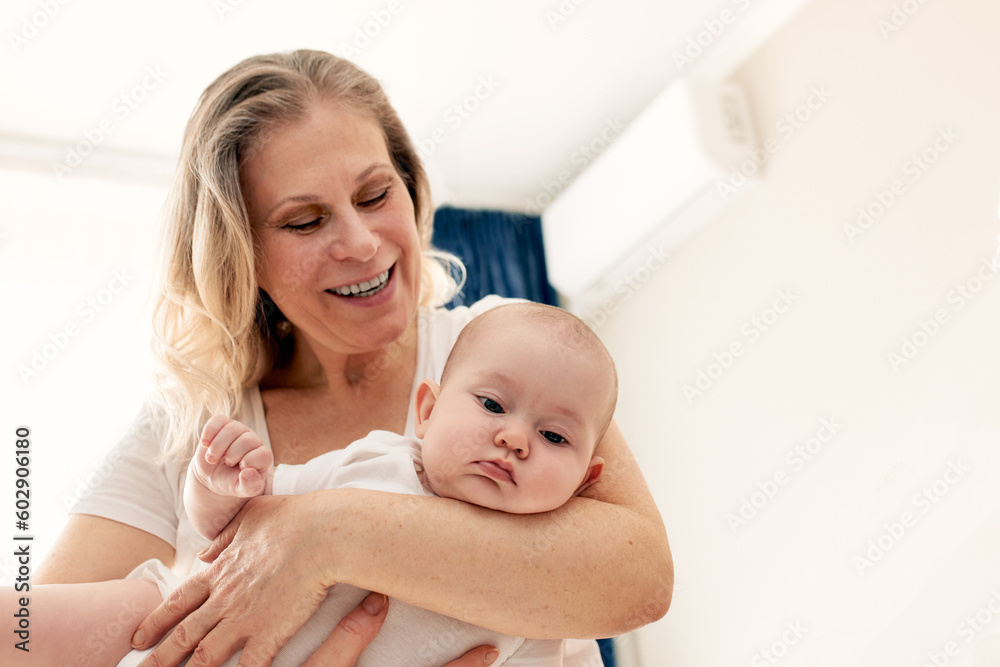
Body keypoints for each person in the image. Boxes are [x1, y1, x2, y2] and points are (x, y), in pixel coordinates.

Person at [33, 49, 673, 667]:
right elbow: (32, 643)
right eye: (306, 222)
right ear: (242, 256)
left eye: (373, 196)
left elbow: (638, 577)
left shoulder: (498, 354)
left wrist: (325, 533)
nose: (362, 244)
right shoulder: (186, 430)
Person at [3, 302, 616, 666]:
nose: (515, 438)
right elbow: (240, 526)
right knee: (64, 618)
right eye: (490, 404)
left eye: (555, 438)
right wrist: (219, 485)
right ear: (427, 411)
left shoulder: (550, 585)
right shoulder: (379, 463)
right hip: (184, 623)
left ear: (587, 481)